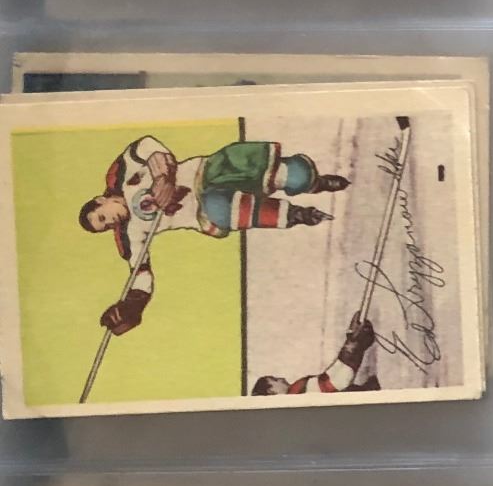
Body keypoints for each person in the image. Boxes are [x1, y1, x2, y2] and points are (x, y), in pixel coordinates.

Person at [78, 134, 348, 338]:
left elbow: (145, 145)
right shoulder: (129, 234)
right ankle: (298, 215)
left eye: (102, 217)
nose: (110, 222)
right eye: (105, 227)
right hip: (201, 210)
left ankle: (315, 182)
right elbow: (140, 272)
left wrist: (162, 176)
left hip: (205, 172)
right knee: (218, 209)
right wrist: (132, 306)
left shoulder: (121, 176)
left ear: (100, 200)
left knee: (294, 176)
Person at [253, 315, 381, 397]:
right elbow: (336, 383)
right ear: (272, 392)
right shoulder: (297, 393)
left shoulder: (296, 392)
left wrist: (351, 343)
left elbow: (328, 377)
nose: (281, 378)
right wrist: (353, 344)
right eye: (275, 380)